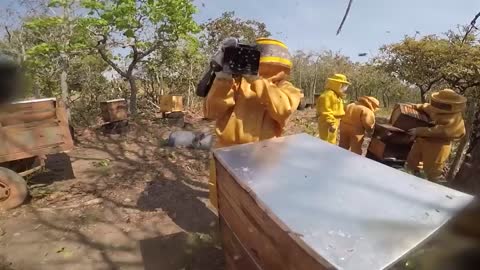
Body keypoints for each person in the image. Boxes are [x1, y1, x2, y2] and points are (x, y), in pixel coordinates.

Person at [204, 38, 302, 208]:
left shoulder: (288, 89)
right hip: (227, 151)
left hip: (262, 154)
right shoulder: (234, 82)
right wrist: (222, 78)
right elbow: (210, 111)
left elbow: (283, 109)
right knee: (223, 198)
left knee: (256, 203)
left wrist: (255, 80)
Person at [406, 89, 467, 182]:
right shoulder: (434, 108)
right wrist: (413, 106)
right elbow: (425, 107)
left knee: (433, 171)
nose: (440, 106)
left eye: (444, 105)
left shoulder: (455, 119)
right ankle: (411, 180)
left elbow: (444, 131)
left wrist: (421, 131)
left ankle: (434, 189)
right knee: (412, 163)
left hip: (439, 146)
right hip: (423, 141)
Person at [316, 74, 350, 144]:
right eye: (343, 85)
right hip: (328, 123)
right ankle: (325, 155)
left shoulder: (336, 95)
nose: (344, 88)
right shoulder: (327, 95)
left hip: (334, 121)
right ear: (337, 84)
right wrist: (331, 124)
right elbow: (326, 111)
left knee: (332, 141)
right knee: (327, 142)